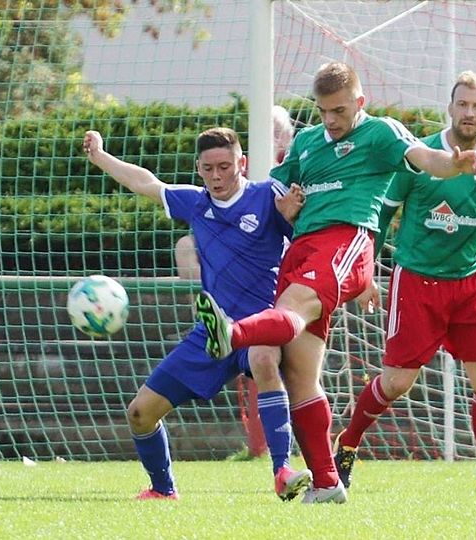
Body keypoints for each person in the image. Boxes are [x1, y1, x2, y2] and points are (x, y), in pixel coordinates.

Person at [195, 61, 476, 504]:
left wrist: (454, 163)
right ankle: (328, 482)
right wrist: (282, 206)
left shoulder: (380, 133)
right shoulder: (308, 142)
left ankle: (231, 332)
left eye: (339, 111)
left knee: (291, 308)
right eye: (323, 110)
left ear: (359, 103)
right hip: (302, 249)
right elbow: (273, 190)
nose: (331, 120)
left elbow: (425, 159)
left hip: (346, 240)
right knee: (300, 372)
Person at [332, 70, 476, 492]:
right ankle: (347, 443)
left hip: (469, 285)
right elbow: (379, 218)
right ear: (450, 108)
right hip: (417, 282)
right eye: (463, 104)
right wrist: (364, 273)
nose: (469, 113)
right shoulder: (419, 158)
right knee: (397, 383)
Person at [82, 127, 311, 501]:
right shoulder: (195, 203)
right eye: (208, 169)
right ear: (199, 169)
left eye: (225, 166)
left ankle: (282, 470)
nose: (217, 176)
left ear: (243, 163)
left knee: (265, 357)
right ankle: (162, 489)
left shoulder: (267, 196)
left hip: (259, 326)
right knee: (140, 413)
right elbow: (146, 182)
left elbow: (307, 228)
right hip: (211, 330)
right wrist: (101, 157)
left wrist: (292, 218)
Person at [174, 105, 295, 280]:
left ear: (288, 136)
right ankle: (208, 304)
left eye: (277, 132)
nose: (271, 137)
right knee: (184, 246)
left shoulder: (293, 166)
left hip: (269, 240)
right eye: (268, 129)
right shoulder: (235, 166)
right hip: (222, 234)